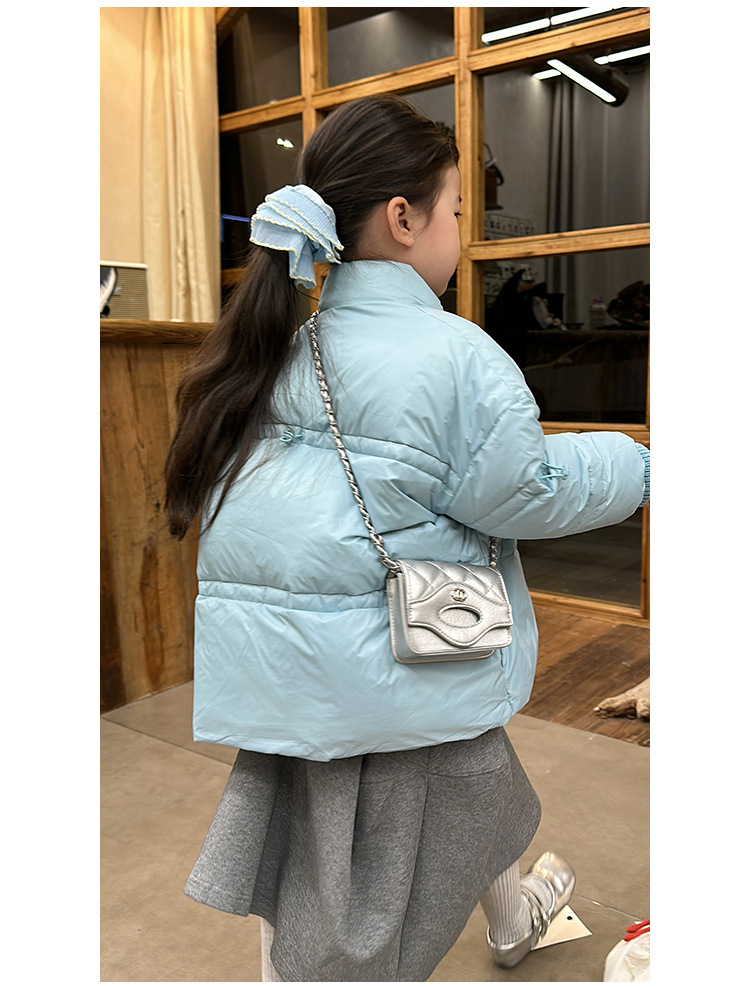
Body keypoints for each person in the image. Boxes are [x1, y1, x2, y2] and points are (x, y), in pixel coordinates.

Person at [164, 94, 650, 982]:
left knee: (320, 861)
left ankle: (513, 916)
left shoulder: (281, 343)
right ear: (402, 218)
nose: (461, 228)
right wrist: (637, 464)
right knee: (399, 861)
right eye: (457, 209)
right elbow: (527, 491)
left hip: (293, 671)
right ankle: (511, 918)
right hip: (399, 668)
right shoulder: (456, 354)